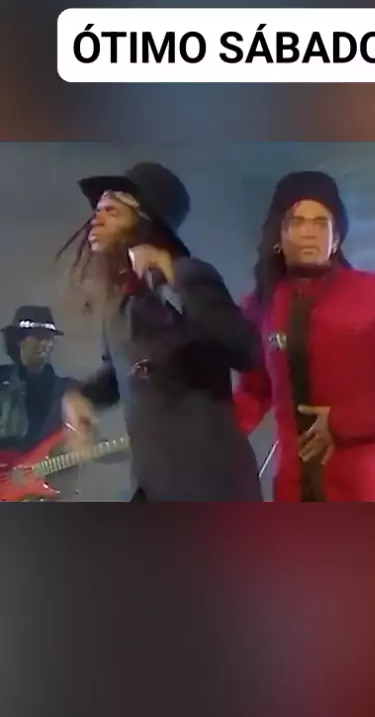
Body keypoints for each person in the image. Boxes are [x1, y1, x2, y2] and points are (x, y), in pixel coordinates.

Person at [233, 171, 375, 502]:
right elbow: (254, 390)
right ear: (278, 235)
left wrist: (342, 422)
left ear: (336, 237)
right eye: (296, 221)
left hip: (364, 486)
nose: (309, 232)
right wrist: (208, 439)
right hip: (292, 488)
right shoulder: (261, 304)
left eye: (321, 222)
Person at [60, 161, 263, 502]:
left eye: (112, 210)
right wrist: (84, 397)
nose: (97, 218)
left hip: (210, 485)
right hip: (154, 485)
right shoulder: (118, 301)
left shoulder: (188, 275)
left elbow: (245, 349)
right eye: (97, 210)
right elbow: (123, 371)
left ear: (146, 224)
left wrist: (170, 277)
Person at [0, 306, 81, 495]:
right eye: (38, 337)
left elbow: (88, 439)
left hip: (47, 493)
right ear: (19, 340)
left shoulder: (68, 391)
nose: (45, 344)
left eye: (49, 338)